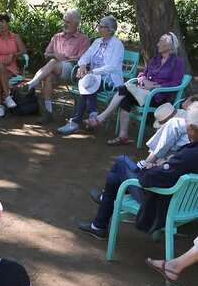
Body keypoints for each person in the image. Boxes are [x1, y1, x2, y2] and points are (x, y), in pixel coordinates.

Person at [77, 102, 198, 239]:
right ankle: (98, 223)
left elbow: (147, 180)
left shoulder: (188, 155)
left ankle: (100, 221)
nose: (186, 128)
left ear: (193, 129)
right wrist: (161, 166)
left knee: (121, 163)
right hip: (191, 207)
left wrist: (151, 168)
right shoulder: (190, 152)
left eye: (187, 125)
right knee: (115, 178)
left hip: (163, 202)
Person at [91, 32, 185, 145]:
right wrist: (143, 80)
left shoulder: (177, 63)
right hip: (143, 93)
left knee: (124, 90)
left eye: (161, 41)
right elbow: (142, 74)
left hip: (158, 97)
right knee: (125, 97)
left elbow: (176, 83)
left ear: (170, 46)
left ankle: (102, 118)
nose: (157, 44)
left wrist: (156, 86)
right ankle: (122, 135)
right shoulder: (155, 59)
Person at [57, 16, 124, 135]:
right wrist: (82, 65)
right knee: (86, 83)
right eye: (99, 25)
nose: (99, 28)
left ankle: (75, 122)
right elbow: (85, 56)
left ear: (110, 30)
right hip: (93, 77)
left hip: (109, 80)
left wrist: (93, 72)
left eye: (102, 26)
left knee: (85, 86)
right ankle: (92, 114)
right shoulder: (98, 41)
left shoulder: (117, 45)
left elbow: (112, 66)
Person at [27, 9, 90, 122]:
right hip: (55, 68)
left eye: (68, 22)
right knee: (48, 77)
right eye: (64, 21)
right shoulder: (56, 37)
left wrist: (65, 58)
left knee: (52, 63)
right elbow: (47, 54)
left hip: (72, 69)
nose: (65, 24)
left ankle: (32, 83)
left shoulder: (83, 39)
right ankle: (48, 112)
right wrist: (55, 55)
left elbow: (83, 59)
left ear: (76, 24)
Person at [0, 14, 27, 118]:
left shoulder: (15, 37)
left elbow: (23, 51)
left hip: (10, 68)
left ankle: (0, 105)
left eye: (2, 22)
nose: (0, 24)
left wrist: (13, 55)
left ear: (7, 23)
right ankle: (8, 97)